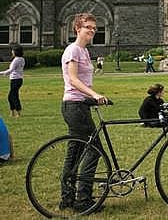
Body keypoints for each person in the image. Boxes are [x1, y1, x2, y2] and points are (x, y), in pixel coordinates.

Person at [60, 13, 109, 213]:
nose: (92, 31)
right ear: (77, 28)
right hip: (75, 106)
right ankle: (83, 198)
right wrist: (95, 95)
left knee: (75, 153)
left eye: (94, 28)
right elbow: (72, 79)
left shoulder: (84, 52)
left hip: (79, 105)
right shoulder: (74, 50)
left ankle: (67, 197)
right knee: (94, 149)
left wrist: (91, 99)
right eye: (88, 27)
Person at [0, 45, 25, 118]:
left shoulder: (16, 60)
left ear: (16, 52)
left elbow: (10, 70)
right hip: (18, 79)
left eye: (13, 50)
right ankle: (12, 112)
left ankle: (18, 112)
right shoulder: (22, 59)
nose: (12, 52)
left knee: (13, 96)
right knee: (11, 96)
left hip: (15, 79)